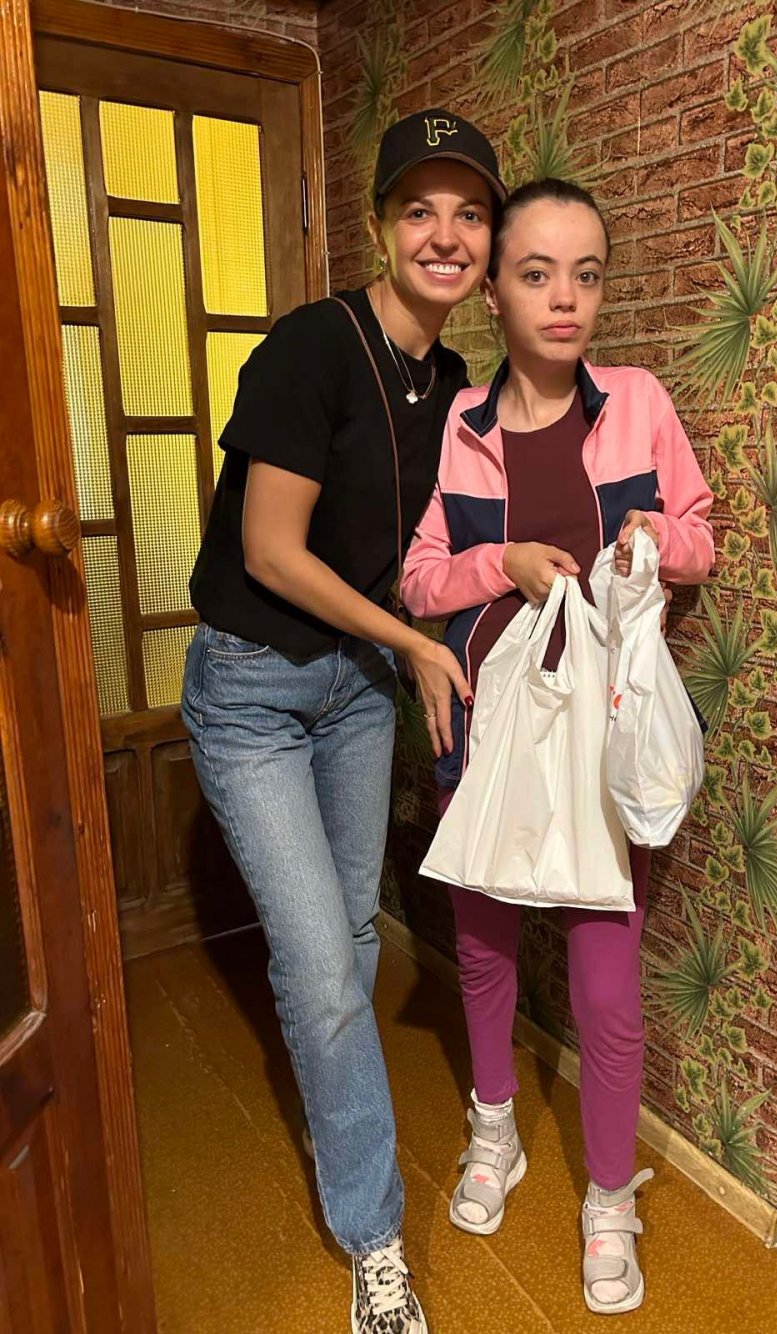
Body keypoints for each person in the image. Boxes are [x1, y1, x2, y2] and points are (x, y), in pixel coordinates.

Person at [181, 109, 505, 1334]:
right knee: (322, 967)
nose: (444, 235)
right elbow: (270, 549)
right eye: (419, 209)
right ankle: (375, 1242)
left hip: (357, 687)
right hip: (255, 688)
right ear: (378, 225)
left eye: (468, 214)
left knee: (352, 942)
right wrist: (416, 644)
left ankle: (339, 1116)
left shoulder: (454, 386)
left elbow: (445, 543)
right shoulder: (312, 345)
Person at [401, 178, 714, 1316]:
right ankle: (495, 1128)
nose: (564, 297)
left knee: (605, 981)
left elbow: (703, 538)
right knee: (482, 946)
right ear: (493, 292)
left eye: (586, 274)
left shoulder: (636, 403)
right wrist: (506, 564)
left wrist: (656, 538)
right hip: (489, 729)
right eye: (536, 274)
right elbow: (419, 577)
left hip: (603, 739)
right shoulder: (462, 425)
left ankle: (609, 1196)